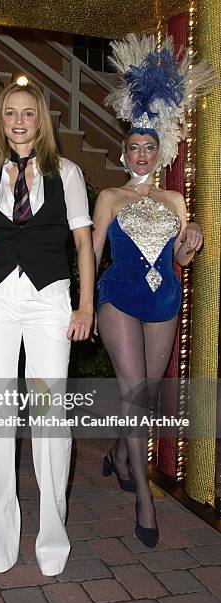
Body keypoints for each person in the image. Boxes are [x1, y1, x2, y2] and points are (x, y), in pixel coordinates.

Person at [0, 81, 95, 576]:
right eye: (11, 113)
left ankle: (52, 542)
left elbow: (83, 243)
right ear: (1, 121)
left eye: (29, 114)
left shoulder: (68, 173)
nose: (19, 121)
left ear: (41, 121)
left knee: (50, 420)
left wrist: (86, 306)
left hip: (48, 303)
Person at [92, 33, 212, 548]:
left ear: (159, 153)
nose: (141, 154)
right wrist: (79, 305)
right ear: (125, 152)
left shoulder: (175, 200)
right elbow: (90, 255)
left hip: (163, 302)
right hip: (117, 297)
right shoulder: (110, 197)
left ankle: (122, 451)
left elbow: (179, 260)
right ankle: (143, 495)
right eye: (134, 147)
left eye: (149, 148)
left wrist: (193, 242)